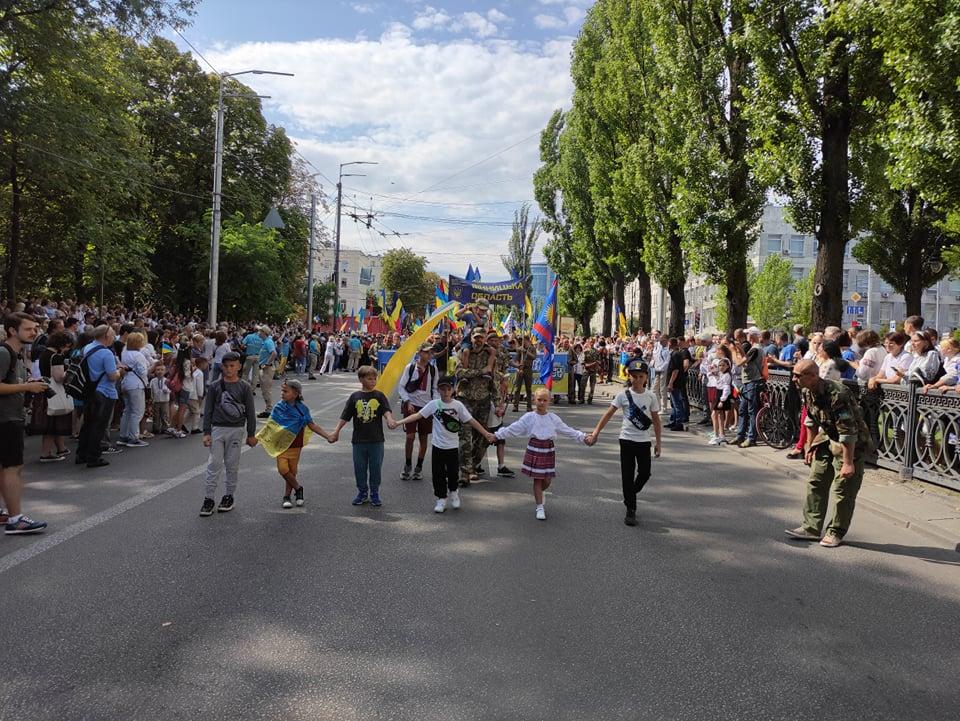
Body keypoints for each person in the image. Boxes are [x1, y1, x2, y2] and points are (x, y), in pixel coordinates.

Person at [785, 359, 874, 548]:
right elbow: (811, 419)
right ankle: (811, 527)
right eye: (793, 375)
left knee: (844, 489)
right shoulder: (806, 391)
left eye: (798, 376)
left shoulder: (837, 394)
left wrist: (848, 463)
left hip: (851, 443)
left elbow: (848, 431)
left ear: (813, 376)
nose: (794, 379)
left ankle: (836, 531)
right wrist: (810, 447)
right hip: (827, 437)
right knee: (816, 480)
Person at [393, 376, 496, 513]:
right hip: (438, 446)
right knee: (438, 474)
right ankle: (441, 498)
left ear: (453, 390)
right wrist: (398, 423)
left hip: (452, 447)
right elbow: (417, 415)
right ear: (438, 390)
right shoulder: (434, 404)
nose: (446, 392)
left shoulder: (458, 405)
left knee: (453, 473)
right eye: (442, 389)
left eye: (448, 389)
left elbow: (471, 421)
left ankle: (453, 492)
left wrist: (486, 433)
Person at [494, 388, 591, 521]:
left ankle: (540, 492)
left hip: (548, 450)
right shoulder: (529, 417)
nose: (541, 403)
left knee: (547, 480)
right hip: (535, 448)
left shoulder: (553, 418)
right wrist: (497, 435)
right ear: (534, 400)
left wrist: (583, 437)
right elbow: (514, 428)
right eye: (539, 399)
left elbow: (567, 430)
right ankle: (539, 507)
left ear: (549, 401)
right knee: (538, 479)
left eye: (545, 400)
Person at [587, 359, 661, 526]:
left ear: (646, 377)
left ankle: (630, 493)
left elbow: (656, 421)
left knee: (645, 473)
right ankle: (631, 509)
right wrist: (595, 433)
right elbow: (608, 414)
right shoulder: (623, 395)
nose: (637, 380)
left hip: (644, 441)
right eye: (634, 376)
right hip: (626, 440)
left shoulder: (651, 396)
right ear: (629, 376)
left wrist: (658, 443)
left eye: (641, 376)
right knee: (627, 475)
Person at [0, 312, 49, 534]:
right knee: (13, 468)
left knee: (5, 468)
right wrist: (27, 387)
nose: (34, 332)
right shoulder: (4, 353)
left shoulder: (16, 354)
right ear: (12, 330)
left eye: (35, 328)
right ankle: (15, 519)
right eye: (28, 329)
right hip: (6, 419)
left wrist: (27, 383)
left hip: (10, 417)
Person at [329, 366, 398, 507]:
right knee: (359, 468)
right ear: (361, 379)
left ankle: (374, 493)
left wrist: (390, 419)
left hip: (376, 440)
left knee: (375, 468)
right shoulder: (355, 397)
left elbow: (386, 411)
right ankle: (362, 492)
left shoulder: (379, 396)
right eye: (369, 379)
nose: (373, 381)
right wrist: (336, 431)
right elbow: (345, 416)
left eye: (374, 379)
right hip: (359, 441)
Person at [258, 379, 332, 509]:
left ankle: (287, 496)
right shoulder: (279, 407)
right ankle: (298, 488)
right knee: (283, 469)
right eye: (282, 390)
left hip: (296, 445)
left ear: (296, 393)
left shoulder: (302, 409)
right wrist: (257, 438)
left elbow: (312, 425)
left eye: (285, 391)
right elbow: (270, 425)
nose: (282, 393)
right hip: (282, 445)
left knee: (292, 471)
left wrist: (328, 436)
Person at [200, 352, 258, 516]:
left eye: (232, 366)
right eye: (226, 366)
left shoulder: (244, 387)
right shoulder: (215, 386)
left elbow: (250, 412)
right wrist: (206, 432)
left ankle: (229, 496)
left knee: (232, 465)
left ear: (239, 366)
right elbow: (208, 410)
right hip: (218, 429)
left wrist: (251, 433)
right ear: (222, 367)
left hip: (236, 430)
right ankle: (209, 498)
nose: (229, 369)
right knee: (214, 464)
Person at [77, 324, 125, 468]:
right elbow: (112, 376)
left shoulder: (87, 348)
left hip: (90, 389)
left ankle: (82, 453)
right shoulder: (106, 353)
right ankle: (93, 456)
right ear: (106, 336)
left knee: (88, 424)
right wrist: (120, 371)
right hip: (104, 391)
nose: (113, 338)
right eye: (112, 335)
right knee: (99, 425)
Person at [456, 328, 496, 483]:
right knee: (465, 435)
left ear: (485, 338)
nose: (478, 340)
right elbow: (459, 373)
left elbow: (494, 378)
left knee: (482, 437)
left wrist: (498, 403)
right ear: (471, 338)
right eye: (476, 337)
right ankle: (465, 472)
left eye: (481, 337)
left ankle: (472, 465)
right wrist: (480, 371)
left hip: (483, 400)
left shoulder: (490, 354)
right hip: (465, 399)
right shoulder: (463, 352)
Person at [397, 343, 439, 480]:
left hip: (426, 407)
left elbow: (435, 389)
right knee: (410, 437)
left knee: (423, 437)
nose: (428, 355)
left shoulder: (433, 369)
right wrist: (407, 401)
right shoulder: (410, 368)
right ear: (419, 352)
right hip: (411, 406)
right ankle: (408, 464)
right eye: (426, 352)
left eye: (430, 352)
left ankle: (419, 466)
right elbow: (401, 387)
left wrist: (434, 405)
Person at [37, 331, 73, 463]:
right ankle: (46, 453)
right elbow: (59, 377)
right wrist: (70, 370)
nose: (67, 349)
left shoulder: (44, 353)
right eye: (67, 346)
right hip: (55, 392)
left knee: (55, 421)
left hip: (46, 389)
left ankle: (61, 448)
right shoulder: (56, 357)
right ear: (62, 344)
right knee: (53, 423)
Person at [728, 328, 763, 447]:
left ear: (752, 336)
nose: (746, 335)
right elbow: (747, 361)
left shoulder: (755, 349)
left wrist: (733, 351)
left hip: (753, 381)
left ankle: (751, 438)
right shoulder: (753, 348)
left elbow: (740, 363)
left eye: (747, 334)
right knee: (743, 409)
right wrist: (740, 350)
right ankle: (740, 435)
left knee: (752, 411)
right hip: (747, 381)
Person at [119, 331, 150, 447]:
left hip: (126, 383)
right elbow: (143, 372)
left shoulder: (124, 352)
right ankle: (134, 437)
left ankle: (124, 435)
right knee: (137, 411)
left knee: (127, 410)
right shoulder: (138, 355)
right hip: (136, 384)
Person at [256, 326, 277, 417]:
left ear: (264, 332)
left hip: (267, 369)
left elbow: (274, 353)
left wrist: (267, 364)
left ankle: (269, 410)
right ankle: (268, 408)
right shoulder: (265, 341)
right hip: (264, 368)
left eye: (260, 331)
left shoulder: (268, 342)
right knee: (264, 390)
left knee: (266, 390)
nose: (258, 332)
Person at [511, 335, 535, 413]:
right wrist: (518, 367)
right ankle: (515, 406)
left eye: (524, 340)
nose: (523, 342)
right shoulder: (520, 349)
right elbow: (516, 359)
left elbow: (533, 357)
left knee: (528, 389)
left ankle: (529, 406)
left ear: (528, 341)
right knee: (517, 388)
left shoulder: (532, 348)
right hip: (520, 369)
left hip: (528, 369)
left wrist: (525, 352)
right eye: (522, 341)